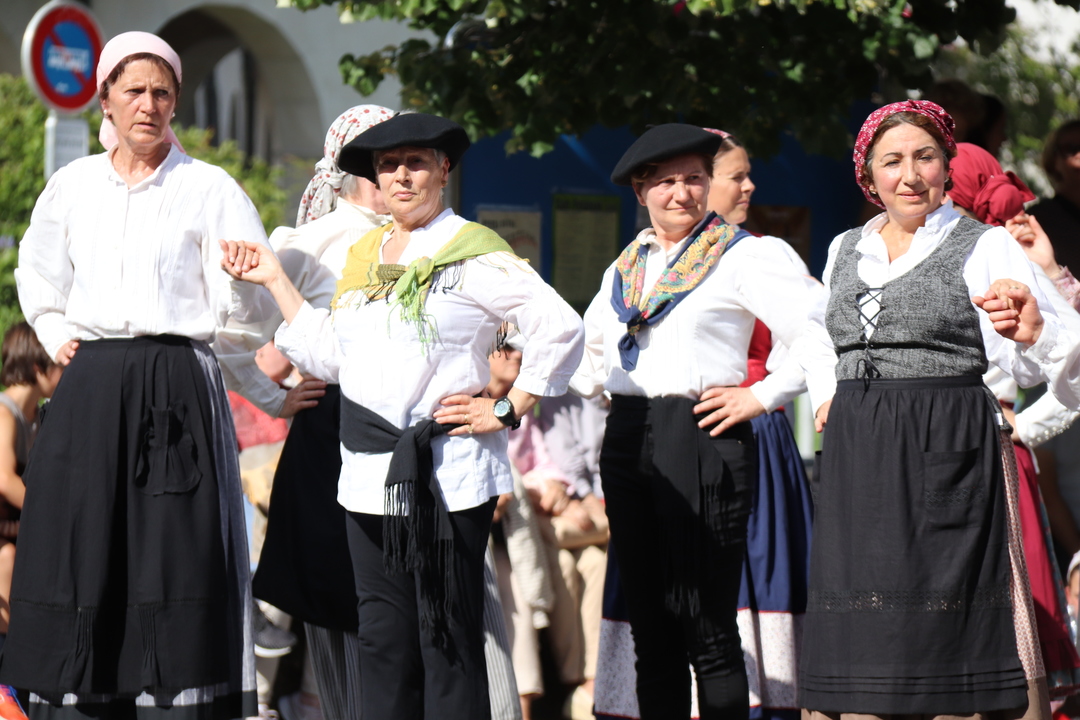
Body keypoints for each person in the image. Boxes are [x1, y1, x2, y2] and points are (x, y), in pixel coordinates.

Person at [220, 111, 585, 720]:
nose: (401, 176)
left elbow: (561, 327)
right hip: (367, 476)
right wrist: (277, 280)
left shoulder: (472, 251)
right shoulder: (365, 256)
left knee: (447, 642)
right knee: (383, 644)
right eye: (388, 165)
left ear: (443, 170)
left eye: (416, 162)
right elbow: (335, 357)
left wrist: (506, 406)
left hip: (446, 472)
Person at [1, 31, 276, 719]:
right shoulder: (72, 186)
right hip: (92, 383)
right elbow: (37, 273)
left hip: (178, 383)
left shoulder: (209, 188)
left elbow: (251, 308)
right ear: (106, 101)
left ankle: (173, 700)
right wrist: (58, 335)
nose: (148, 104)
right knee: (81, 542)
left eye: (162, 92)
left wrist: (244, 294)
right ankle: (81, 695)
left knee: (173, 550)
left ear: (176, 102)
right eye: (135, 91)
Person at [800, 99, 1080, 720]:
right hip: (858, 454)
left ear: (947, 165)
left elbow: (1059, 355)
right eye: (892, 161)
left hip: (945, 443)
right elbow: (817, 332)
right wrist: (826, 393)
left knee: (943, 628)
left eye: (924, 157)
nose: (909, 175)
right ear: (867, 174)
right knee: (864, 621)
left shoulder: (984, 245)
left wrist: (1031, 333)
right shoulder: (846, 246)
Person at [571, 123, 837, 720]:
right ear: (640, 191)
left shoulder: (742, 254)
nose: (681, 193)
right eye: (665, 182)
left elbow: (817, 328)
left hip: (701, 435)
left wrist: (762, 395)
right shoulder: (627, 268)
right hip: (629, 436)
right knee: (651, 629)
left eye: (693, 178)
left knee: (708, 629)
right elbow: (589, 359)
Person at [950, 141, 1080, 698]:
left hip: (990, 453)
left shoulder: (996, 253)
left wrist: (1023, 427)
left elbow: (1070, 362)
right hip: (932, 450)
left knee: (997, 625)